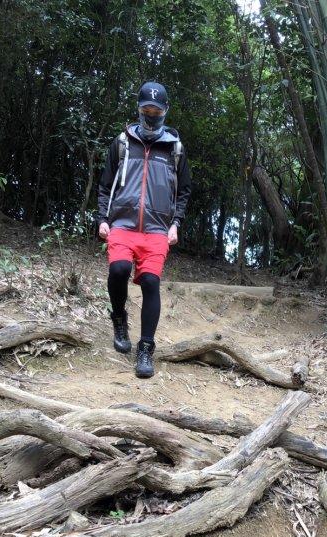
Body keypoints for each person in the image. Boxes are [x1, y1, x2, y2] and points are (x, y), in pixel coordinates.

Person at [96, 81, 192, 378]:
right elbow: (105, 185)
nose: (151, 114)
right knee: (119, 269)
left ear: (165, 111)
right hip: (122, 221)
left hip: (157, 228)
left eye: (156, 110)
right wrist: (102, 218)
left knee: (150, 281)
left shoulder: (175, 148)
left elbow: (184, 191)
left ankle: (146, 347)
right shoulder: (123, 143)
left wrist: (175, 223)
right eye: (146, 109)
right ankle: (119, 317)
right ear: (139, 109)